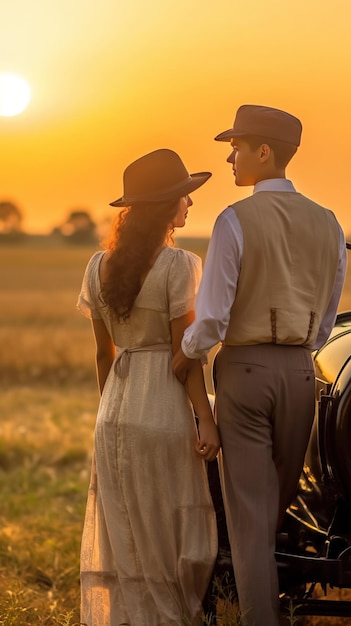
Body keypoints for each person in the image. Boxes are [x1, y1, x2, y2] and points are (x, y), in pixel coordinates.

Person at [172, 105, 347, 626]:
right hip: (301, 373)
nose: (230, 157)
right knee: (278, 505)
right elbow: (328, 313)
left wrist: (184, 354)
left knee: (250, 518)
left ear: (263, 152)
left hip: (245, 372)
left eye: (238, 147)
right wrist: (301, 350)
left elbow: (213, 317)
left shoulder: (233, 220)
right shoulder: (329, 222)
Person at [77, 148, 220, 626]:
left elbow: (104, 354)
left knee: (127, 536)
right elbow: (187, 358)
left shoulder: (98, 265)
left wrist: (112, 410)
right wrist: (205, 418)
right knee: (172, 531)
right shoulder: (180, 264)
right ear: (166, 206)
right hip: (163, 407)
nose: (190, 204)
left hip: (114, 411)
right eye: (184, 197)